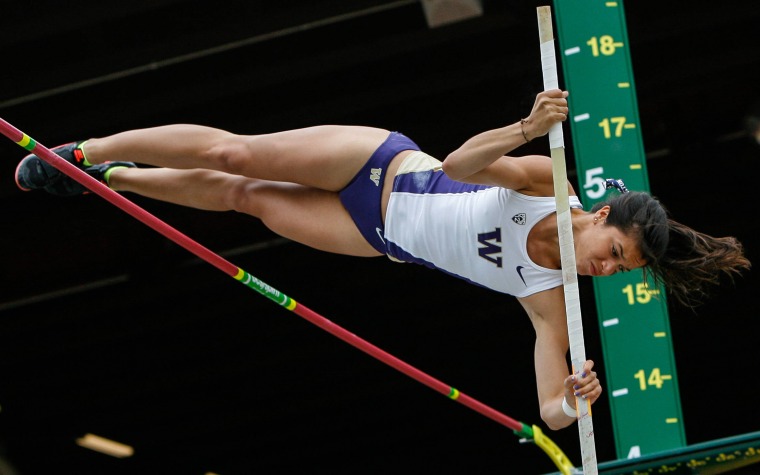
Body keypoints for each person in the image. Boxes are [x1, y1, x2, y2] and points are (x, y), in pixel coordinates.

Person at [14, 89, 750, 431]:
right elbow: (463, 161)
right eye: (614, 251)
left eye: (620, 270)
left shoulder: (547, 292)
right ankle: (86, 149)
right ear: (599, 216)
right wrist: (526, 127)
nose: (608, 268)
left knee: (246, 200)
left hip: (378, 236)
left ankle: (110, 180)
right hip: (381, 164)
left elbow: (549, 410)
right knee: (235, 152)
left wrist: (573, 400)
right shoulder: (545, 185)